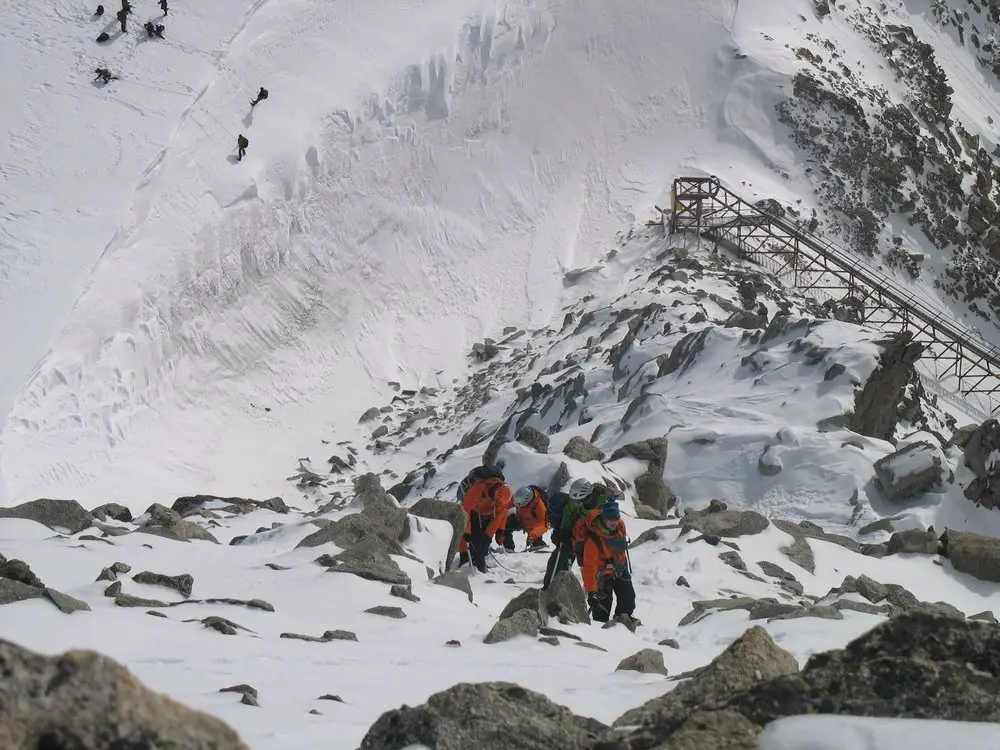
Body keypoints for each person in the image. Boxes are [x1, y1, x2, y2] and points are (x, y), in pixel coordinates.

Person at [579, 501, 637, 628]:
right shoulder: (593, 539)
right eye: (610, 518)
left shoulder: (620, 525)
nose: (614, 521)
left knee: (628, 599)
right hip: (602, 575)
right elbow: (589, 568)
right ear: (603, 518)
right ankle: (602, 633)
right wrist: (591, 592)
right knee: (602, 610)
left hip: (620, 568)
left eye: (616, 518)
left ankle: (621, 623)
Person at [457, 468, 511, 573]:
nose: (497, 502)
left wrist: (490, 536)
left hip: (487, 512)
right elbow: (466, 510)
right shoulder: (478, 488)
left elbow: (499, 515)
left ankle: (479, 562)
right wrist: (467, 531)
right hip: (473, 511)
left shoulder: (502, 497)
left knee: (482, 542)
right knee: (474, 539)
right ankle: (467, 559)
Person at [498, 485, 549, 552]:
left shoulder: (540, 506)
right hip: (520, 518)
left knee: (535, 538)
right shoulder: (518, 498)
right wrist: (495, 509)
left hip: (533, 526)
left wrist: (533, 535)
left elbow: (543, 525)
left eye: (520, 504)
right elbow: (507, 504)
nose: (517, 505)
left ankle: (538, 545)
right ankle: (508, 547)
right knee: (505, 526)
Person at [542, 486, 574, 589]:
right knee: (563, 560)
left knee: (557, 560)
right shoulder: (569, 507)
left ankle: (549, 587)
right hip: (569, 537)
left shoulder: (564, 508)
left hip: (570, 539)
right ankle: (559, 586)